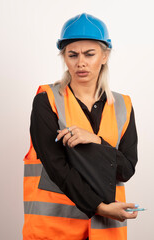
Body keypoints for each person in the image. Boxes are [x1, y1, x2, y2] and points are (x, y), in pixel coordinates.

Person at [23, 13, 139, 240]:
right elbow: (57, 167)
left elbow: (125, 170)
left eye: (89, 54)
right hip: (54, 230)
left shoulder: (123, 105)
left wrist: (95, 140)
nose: (81, 62)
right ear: (64, 57)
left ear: (105, 56)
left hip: (106, 231)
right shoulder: (47, 100)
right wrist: (100, 206)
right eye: (72, 55)